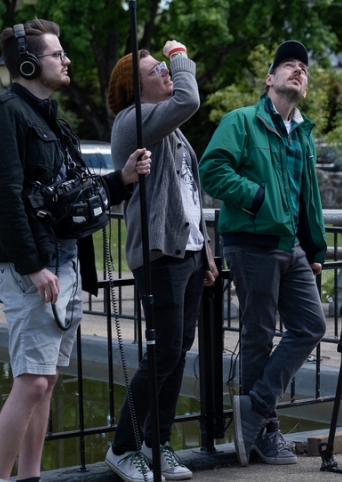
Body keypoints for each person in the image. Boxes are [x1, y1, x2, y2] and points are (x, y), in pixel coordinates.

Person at [0, 18, 150, 481]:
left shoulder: (53, 118)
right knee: (32, 380)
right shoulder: (3, 115)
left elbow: (71, 193)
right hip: (32, 267)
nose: (66, 60)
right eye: (58, 54)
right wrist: (33, 266)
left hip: (66, 260)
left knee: (47, 379)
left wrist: (122, 179)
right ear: (30, 63)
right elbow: (2, 199)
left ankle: (30, 476)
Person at [198, 40, 327, 467]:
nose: (298, 70)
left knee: (311, 325)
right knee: (257, 335)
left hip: (290, 245)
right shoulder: (242, 121)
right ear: (269, 79)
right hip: (251, 242)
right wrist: (255, 198)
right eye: (289, 65)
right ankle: (263, 433)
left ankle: (253, 410)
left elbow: (309, 196)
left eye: (304, 68)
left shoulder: (302, 135)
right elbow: (212, 170)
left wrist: (315, 248)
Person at [104, 41, 220, 482]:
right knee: (164, 353)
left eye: (167, 68)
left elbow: (190, 195)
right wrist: (180, 55)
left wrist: (206, 251)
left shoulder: (168, 129)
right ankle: (123, 448)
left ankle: (158, 443)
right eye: (157, 71)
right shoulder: (133, 121)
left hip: (186, 253)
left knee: (176, 352)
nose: (168, 74)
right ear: (134, 87)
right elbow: (189, 98)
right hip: (159, 254)